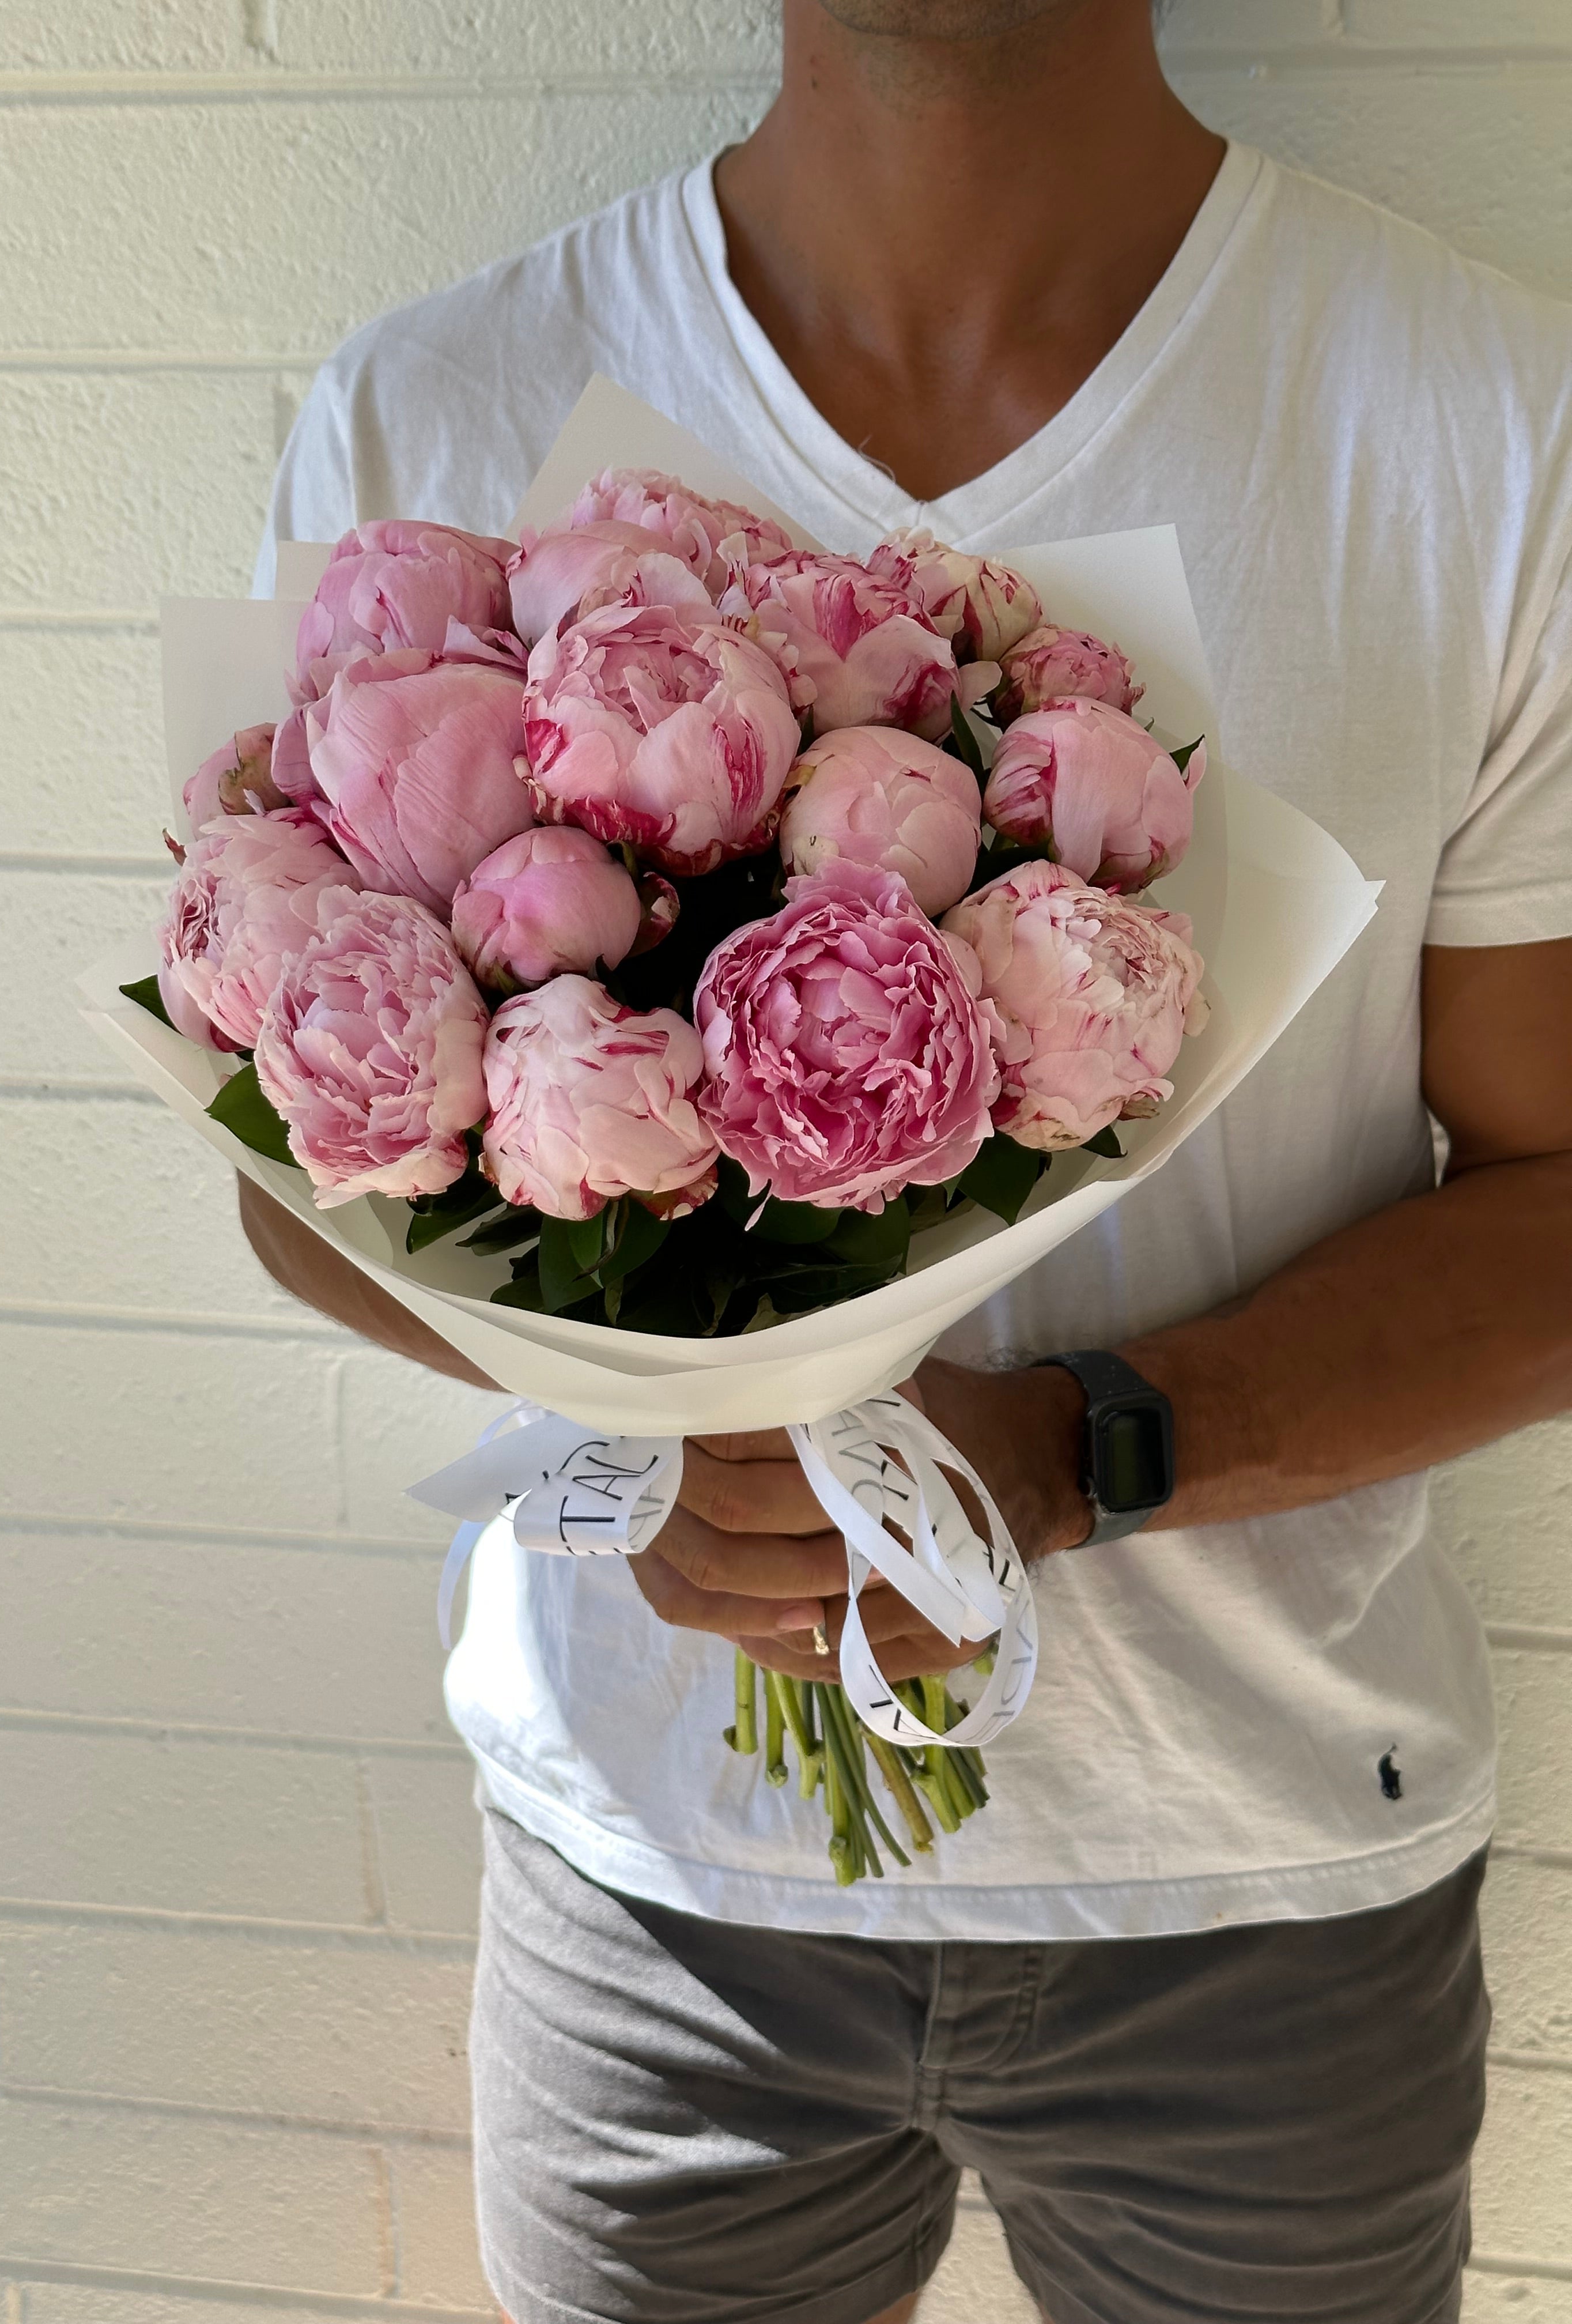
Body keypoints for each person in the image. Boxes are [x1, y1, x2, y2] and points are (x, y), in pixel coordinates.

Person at [240, 2, 1572, 2317]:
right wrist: (669, 1411)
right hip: (649, 1889)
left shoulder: (1485, 427)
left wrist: (1066, 1456)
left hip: (1257, 1886)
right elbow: (294, 1150)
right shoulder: (431, 424)